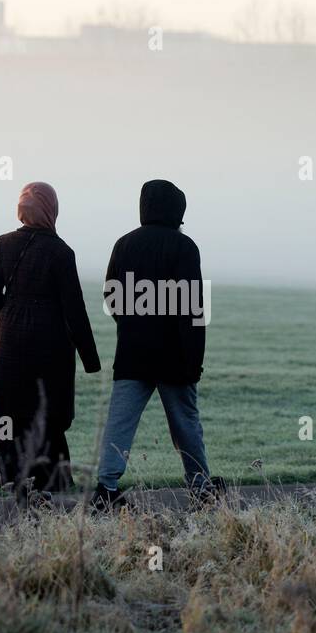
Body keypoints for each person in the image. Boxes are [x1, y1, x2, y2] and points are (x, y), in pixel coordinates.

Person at [92, 179, 224, 509]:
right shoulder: (185, 247)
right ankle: (200, 488)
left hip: (132, 353)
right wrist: (194, 361)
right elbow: (193, 310)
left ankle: (105, 489)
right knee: (185, 425)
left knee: (119, 424)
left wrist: (131, 323)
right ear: (177, 210)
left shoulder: (123, 244)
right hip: (175, 357)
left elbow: (110, 295)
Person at [0, 181, 100, 499]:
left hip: (9, 345)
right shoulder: (61, 252)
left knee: (9, 414)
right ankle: (52, 488)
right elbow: (74, 309)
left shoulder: (3, 244)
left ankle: (13, 482)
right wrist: (91, 360)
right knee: (47, 416)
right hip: (50, 349)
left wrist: (10, 318)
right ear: (51, 209)